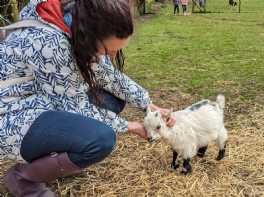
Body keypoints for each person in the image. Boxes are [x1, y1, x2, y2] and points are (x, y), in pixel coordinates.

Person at [0, 0, 175, 196]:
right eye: (108, 51)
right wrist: (130, 126)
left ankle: (52, 160)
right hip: (11, 115)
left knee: (111, 100)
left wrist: (148, 105)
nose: (113, 55)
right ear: (89, 36)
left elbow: (110, 77)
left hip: (40, 101)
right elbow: (75, 107)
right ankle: (23, 178)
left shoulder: (76, 25)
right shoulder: (51, 43)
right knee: (101, 138)